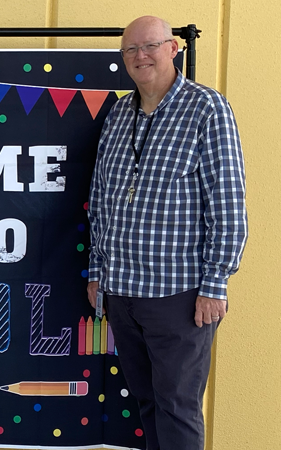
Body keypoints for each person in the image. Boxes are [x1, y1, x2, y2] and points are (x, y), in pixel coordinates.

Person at [86, 16, 247, 450]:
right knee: (147, 402)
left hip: (179, 296)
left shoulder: (207, 109)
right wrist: (96, 272)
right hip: (121, 291)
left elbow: (228, 204)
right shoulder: (119, 113)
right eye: (130, 50)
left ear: (173, 48)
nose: (140, 56)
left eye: (150, 46)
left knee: (177, 406)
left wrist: (215, 284)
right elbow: (101, 197)